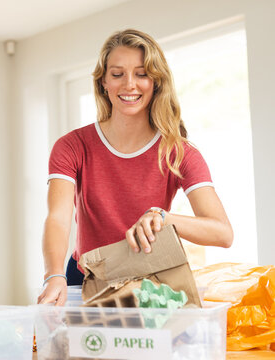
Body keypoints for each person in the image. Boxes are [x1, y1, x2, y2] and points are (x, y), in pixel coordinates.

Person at [37, 29, 233, 306]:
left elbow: (222, 233)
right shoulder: (72, 146)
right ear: (104, 82)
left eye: (142, 74)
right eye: (117, 74)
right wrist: (53, 275)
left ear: (156, 82)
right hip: (84, 278)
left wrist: (163, 218)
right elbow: (58, 218)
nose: (129, 84)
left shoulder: (180, 153)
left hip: (150, 286)